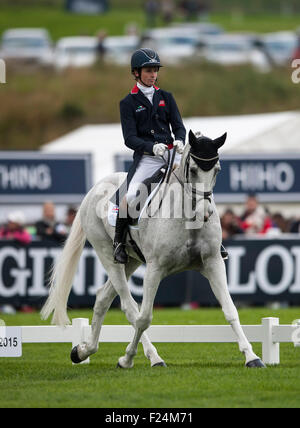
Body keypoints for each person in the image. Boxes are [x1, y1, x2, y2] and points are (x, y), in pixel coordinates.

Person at [114, 48, 186, 264]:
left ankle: (211, 238)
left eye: (155, 70)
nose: (153, 74)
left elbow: (179, 127)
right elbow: (129, 138)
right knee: (129, 197)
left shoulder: (166, 97)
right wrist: (151, 147)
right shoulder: (128, 103)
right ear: (136, 72)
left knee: (199, 183)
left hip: (172, 154)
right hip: (148, 158)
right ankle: (119, 241)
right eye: (148, 70)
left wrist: (180, 140)